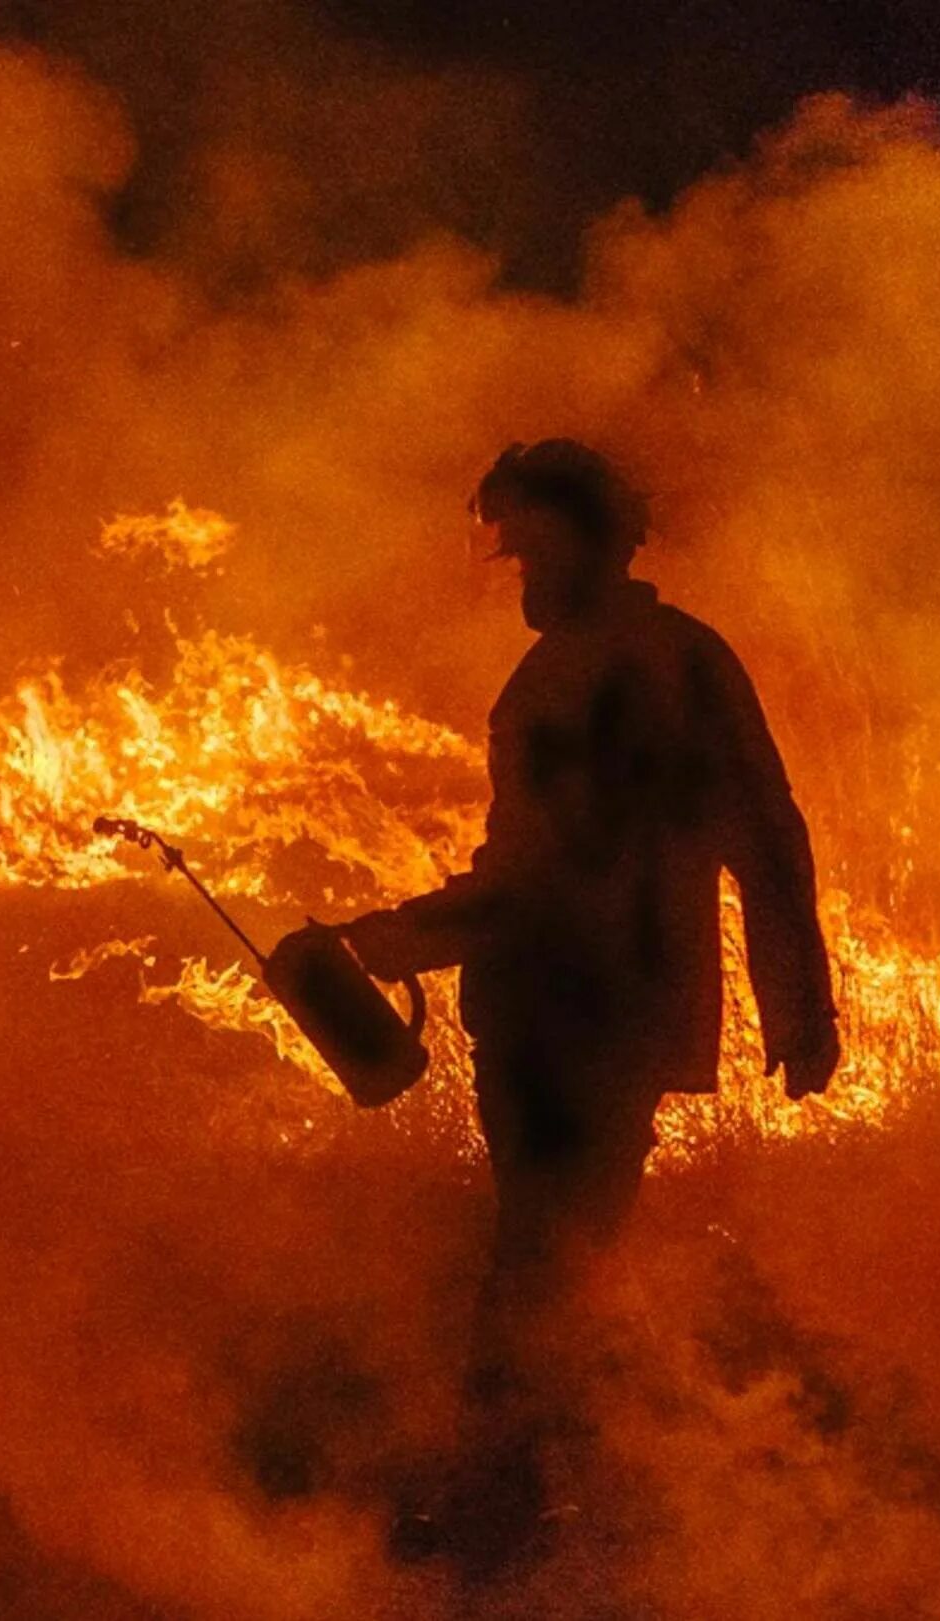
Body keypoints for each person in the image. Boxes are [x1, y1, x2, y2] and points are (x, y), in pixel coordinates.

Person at [327, 439, 841, 1566]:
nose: (515, 569)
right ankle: (560, 1492)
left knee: (539, 1263)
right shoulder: (682, 657)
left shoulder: (584, 677)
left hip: (569, 1018)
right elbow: (764, 836)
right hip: (610, 1017)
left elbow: (543, 879)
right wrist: (800, 1007)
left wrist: (400, 937)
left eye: (528, 547)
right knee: (564, 1254)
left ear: (585, 540)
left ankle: (499, 1523)